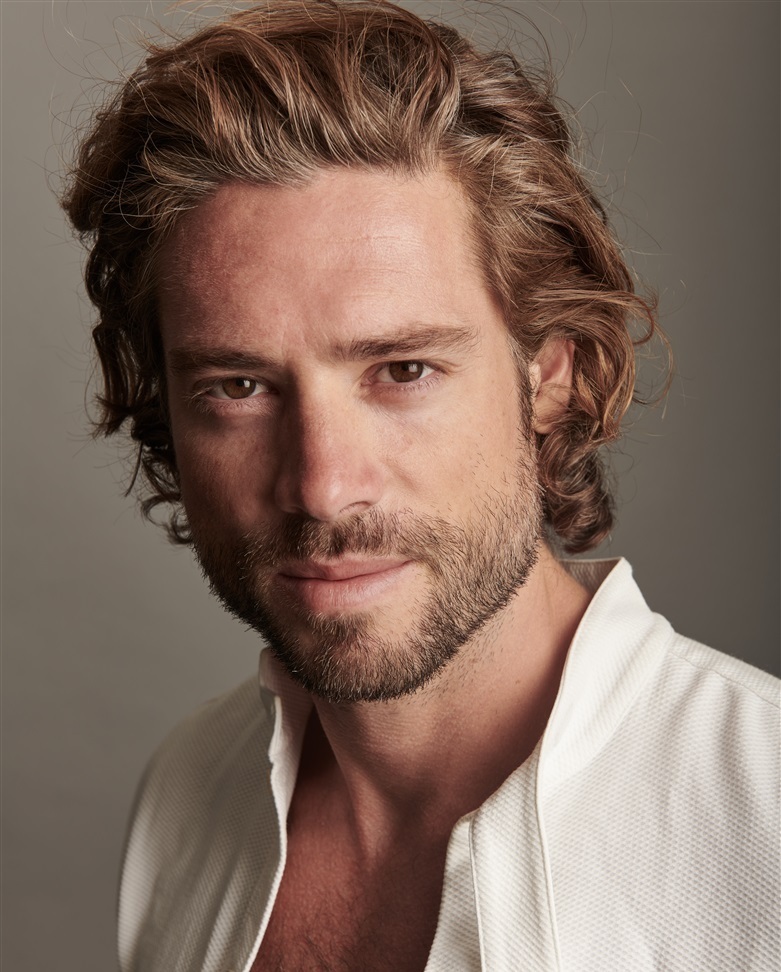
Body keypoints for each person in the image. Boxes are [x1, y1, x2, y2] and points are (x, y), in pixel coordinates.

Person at [61, 1, 778, 969]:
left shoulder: (761, 827)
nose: (322, 488)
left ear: (549, 374)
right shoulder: (185, 798)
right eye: (237, 387)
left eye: (402, 370)